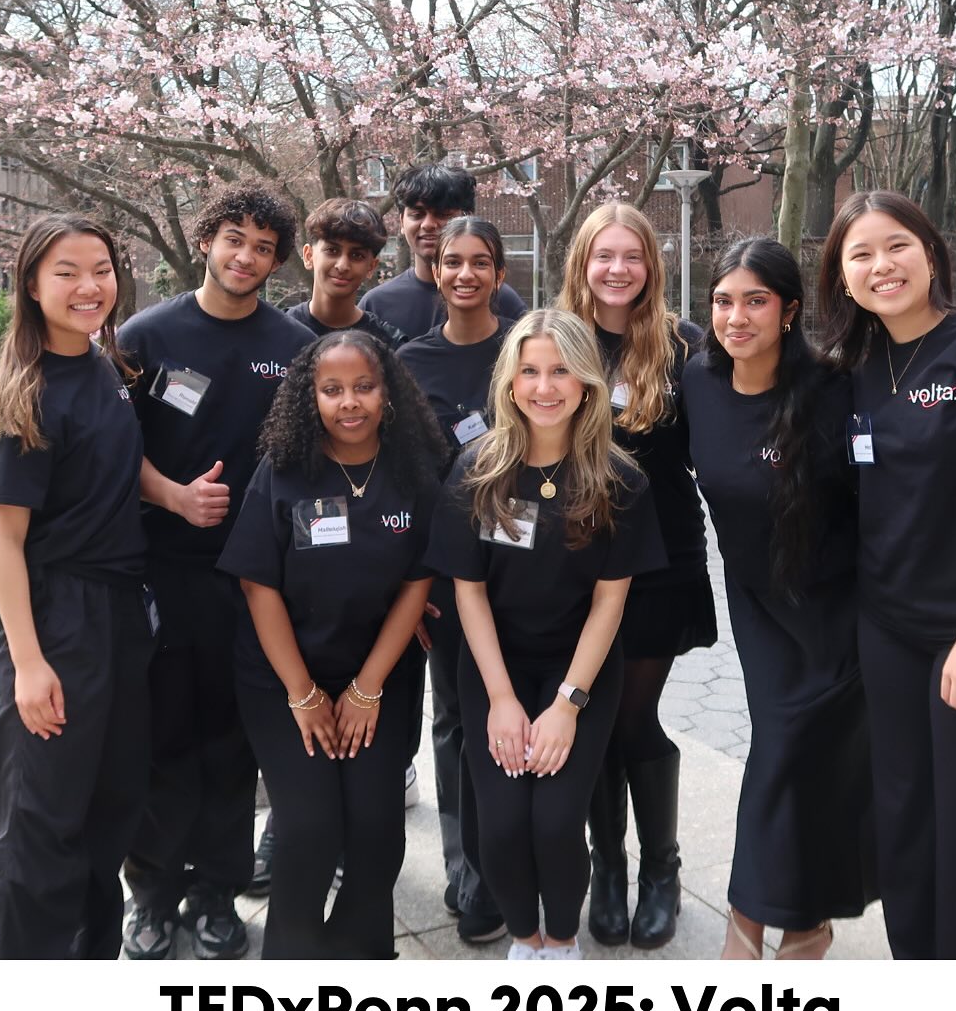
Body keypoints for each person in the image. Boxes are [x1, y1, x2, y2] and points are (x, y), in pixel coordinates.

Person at [818, 191, 956, 959]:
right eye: (861, 254)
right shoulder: (855, 367)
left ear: (931, 253)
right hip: (888, 629)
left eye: (897, 246)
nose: (881, 266)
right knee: (905, 817)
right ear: (841, 277)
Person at [426, 310, 667, 959]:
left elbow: (610, 603)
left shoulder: (621, 479)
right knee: (501, 828)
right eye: (529, 370)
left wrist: (567, 704)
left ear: (586, 382)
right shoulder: (477, 468)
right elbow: (467, 591)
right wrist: (502, 701)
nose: (544, 385)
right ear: (509, 383)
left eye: (560, 369)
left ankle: (560, 943)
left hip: (579, 672)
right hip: (494, 667)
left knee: (556, 822)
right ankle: (525, 941)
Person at [119, 181, 312, 960]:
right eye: (235, 239)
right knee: (162, 737)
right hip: (164, 570)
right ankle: (152, 892)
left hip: (254, 584)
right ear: (206, 241)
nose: (247, 256)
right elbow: (111, 446)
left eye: (264, 247)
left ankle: (216, 891)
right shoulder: (146, 335)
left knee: (235, 743)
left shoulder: (292, 345)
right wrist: (171, 495)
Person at [216, 331, 445, 957]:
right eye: (332, 389)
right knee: (311, 828)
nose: (350, 402)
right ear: (308, 396)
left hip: (379, 676)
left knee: (376, 832)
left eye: (365, 387)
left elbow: (417, 581)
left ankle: (360, 963)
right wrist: (306, 694)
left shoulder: (413, 469)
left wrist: (367, 689)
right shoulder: (285, 468)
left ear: (389, 394)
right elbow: (257, 584)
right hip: (284, 679)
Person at [680, 237, 875, 960]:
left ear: (789, 311)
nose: (736, 316)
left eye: (755, 301)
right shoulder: (697, 383)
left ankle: (759, 924)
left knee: (803, 759)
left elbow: (882, 494)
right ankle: (793, 921)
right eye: (723, 301)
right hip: (760, 605)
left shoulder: (832, 389)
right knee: (787, 754)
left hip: (840, 608)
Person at [0, 215, 154, 959]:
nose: (89, 287)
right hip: (54, 618)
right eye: (67, 272)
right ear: (31, 284)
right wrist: (30, 663)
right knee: (39, 825)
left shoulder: (104, 365)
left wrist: (171, 496)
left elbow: (111, 463)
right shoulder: (23, 396)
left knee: (108, 812)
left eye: (101, 269)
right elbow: (5, 541)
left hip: (117, 612)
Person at [556, 202, 715, 948]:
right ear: (581, 262)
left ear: (651, 264)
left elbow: (718, 448)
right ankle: (606, 867)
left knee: (631, 716)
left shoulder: (684, 346)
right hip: (574, 555)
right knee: (589, 714)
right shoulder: (555, 342)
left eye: (632, 256)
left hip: (659, 552)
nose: (617, 269)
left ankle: (660, 869)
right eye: (603, 255)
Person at [399, 217, 516, 945]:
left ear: (500, 272)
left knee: (519, 714)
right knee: (455, 722)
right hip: (447, 570)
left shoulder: (529, 347)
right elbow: (406, 481)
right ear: (435, 271)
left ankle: (518, 858)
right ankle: (471, 871)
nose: (465, 273)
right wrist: (408, 585)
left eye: (480, 261)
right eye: (452, 262)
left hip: (533, 567)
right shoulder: (411, 361)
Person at [359, 163, 527, 340]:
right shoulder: (376, 305)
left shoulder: (504, 302)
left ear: (466, 219)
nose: (428, 224)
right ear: (401, 222)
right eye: (417, 215)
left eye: (442, 214)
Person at [287, 197, 407, 350]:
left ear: (371, 267)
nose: (342, 266)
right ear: (308, 256)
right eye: (332, 251)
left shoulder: (389, 345)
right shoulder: (278, 331)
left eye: (357, 256)